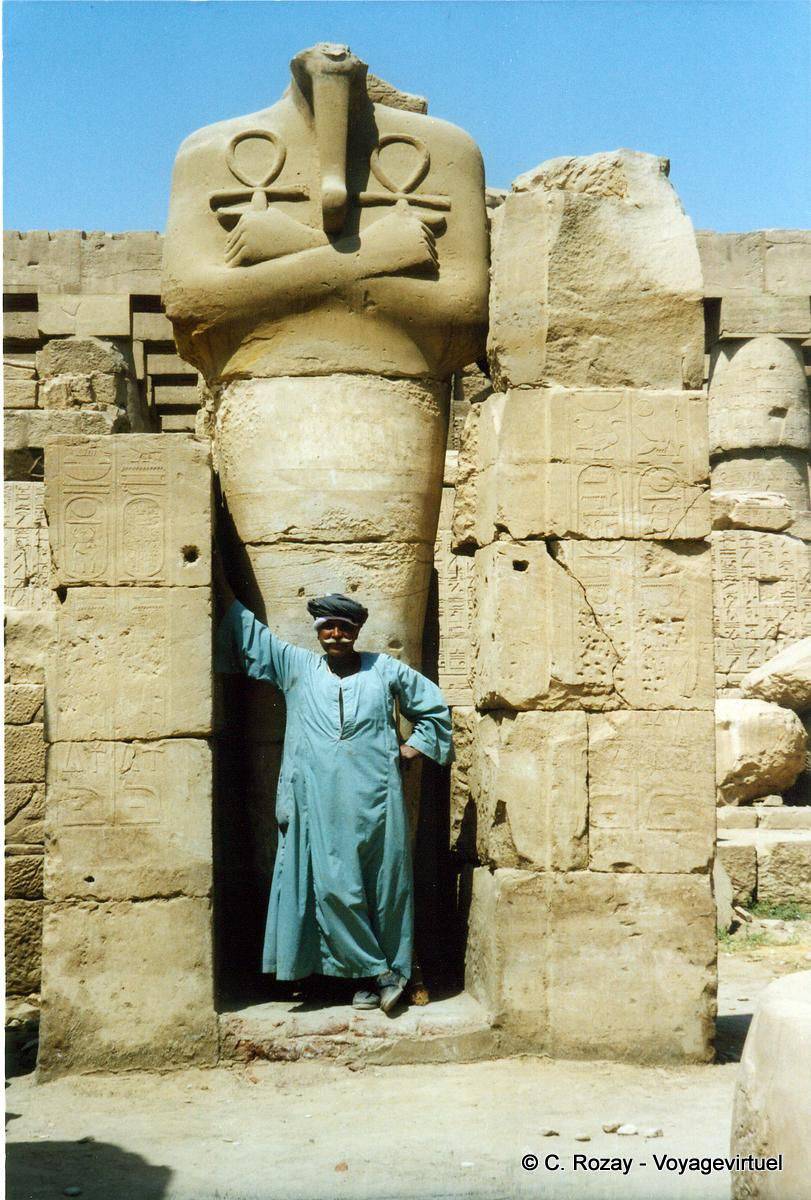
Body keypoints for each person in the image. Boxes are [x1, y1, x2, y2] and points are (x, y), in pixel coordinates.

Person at [214, 565, 454, 1014]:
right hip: (318, 803)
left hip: (378, 802)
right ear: (318, 631)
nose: (336, 635)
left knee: (384, 888)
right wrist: (217, 576)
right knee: (332, 888)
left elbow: (434, 708)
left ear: (357, 631)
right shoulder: (297, 667)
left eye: (345, 627)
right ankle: (379, 973)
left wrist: (413, 748)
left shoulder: (384, 670)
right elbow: (250, 636)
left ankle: (375, 977)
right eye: (328, 627)